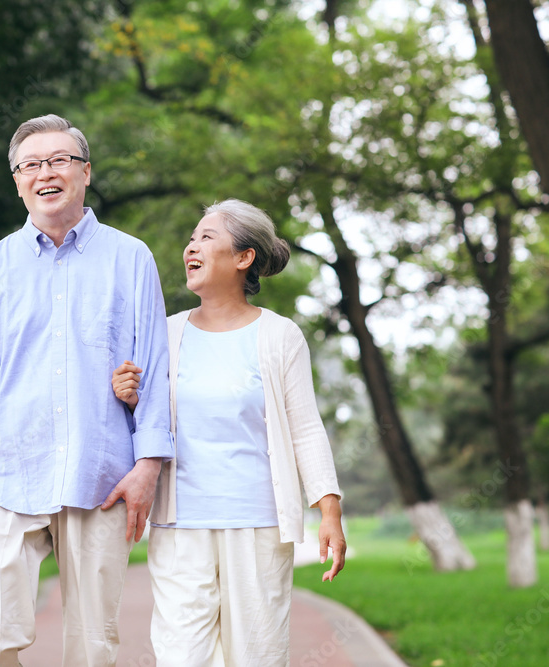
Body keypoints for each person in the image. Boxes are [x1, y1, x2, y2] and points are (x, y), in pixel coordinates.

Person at [0, 114, 173, 667]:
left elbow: (155, 367)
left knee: (93, 648)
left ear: (85, 173)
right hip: (8, 471)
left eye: (59, 160)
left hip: (101, 472)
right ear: (17, 181)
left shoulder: (130, 258)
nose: (46, 173)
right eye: (31, 164)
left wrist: (149, 465)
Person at [111, 198, 346, 667]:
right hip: (179, 525)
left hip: (256, 524)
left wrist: (329, 511)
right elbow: (152, 420)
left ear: (244, 258)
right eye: (192, 238)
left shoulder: (279, 336)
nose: (190, 247)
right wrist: (131, 397)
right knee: (181, 656)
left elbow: (304, 428)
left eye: (206, 237)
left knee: (255, 655)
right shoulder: (167, 332)